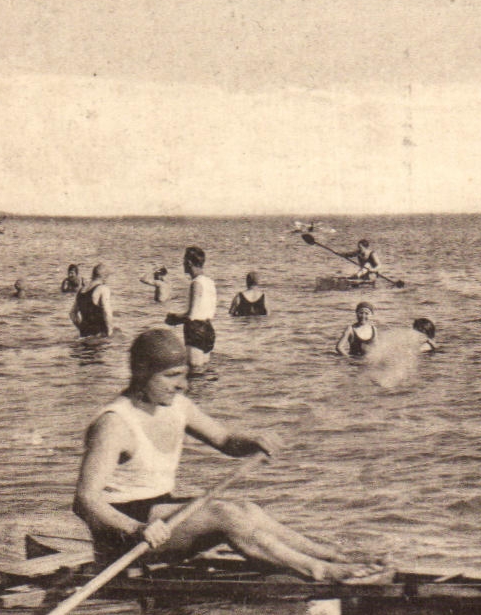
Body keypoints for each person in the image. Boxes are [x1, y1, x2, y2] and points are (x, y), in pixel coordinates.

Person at [73, 328, 386, 581]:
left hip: (159, 517)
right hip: (124, 535)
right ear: (142, 373)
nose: (182, 385)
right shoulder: (114, 424)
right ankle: (316, 570)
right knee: (225, 514)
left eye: (184, 376)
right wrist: (137, 529)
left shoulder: (177, 407)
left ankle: (329, 554)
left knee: (246, 509)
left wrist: (252, 442)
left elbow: (224, 439)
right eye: (172, 376)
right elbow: (85, 500)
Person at [165, 246, 217, 371]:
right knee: (204, 371)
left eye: (184, 261)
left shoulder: (196, 283)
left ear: (189, 263)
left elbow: (192, 315)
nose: (182, 264)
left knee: (194, 373)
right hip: (208, 329)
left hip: (195, 330)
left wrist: (174, 318)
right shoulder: (210, 282)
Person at [71, 263, 117, 337]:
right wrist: (110, 332)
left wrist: (81, 328)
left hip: (84, 333)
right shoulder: (103, 288)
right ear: (104, 277)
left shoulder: (82, 290)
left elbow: (72, 314)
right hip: (99, 334)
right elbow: (107, 312)